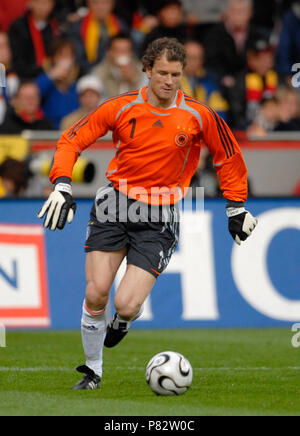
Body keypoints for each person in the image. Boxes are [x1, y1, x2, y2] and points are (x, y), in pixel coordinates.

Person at [38, 37, 257, 390]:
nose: (170, 81)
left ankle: (123, 321)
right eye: (163, 73)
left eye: (177, 74)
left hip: (159, 214)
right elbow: (72, 139)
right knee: (96, 294)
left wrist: (237, 205)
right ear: (147, 70)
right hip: (114, 205)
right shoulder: (121, 107)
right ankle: (93, 371)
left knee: (125, 304)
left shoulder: (199, 115)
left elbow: (228, 157)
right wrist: (62, 184)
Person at [68, 0, 128, 74]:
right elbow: (78, 60)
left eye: (105, 3)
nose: (101, 7)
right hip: (89, 72)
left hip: (118, 71)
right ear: (88, 4)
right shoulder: (78, 27)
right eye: (96, 3)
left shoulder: (121, 26)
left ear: (112, 4)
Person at [8, 0, 60, 80]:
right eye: (39, 2)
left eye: (46, 3)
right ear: (30, 3)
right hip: (25, 76)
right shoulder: (18, 26)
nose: (42, 7)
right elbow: (17, 59)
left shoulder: (57, 25)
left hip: (54, 73)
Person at [35, 39, 80, 129]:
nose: (64, 60)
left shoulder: (77, 85)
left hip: (73, 133)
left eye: (68, 56)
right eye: (61, 56)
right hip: (48, 132)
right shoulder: (44, 79)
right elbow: (34, 94)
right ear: (53, 59)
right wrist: (51, 76)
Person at [181, 40, 229, 121]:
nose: (192, 62)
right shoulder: (172, 79)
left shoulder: (209, 80)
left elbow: (220, 111)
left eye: (196, 58)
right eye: (189, 57)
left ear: (202, 60)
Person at [92, 34, 147, 99]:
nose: (122, 54)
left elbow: (147, 96)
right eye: (118, 50)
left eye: (126, 50)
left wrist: (133, 79)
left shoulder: (142, 69)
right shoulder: (99, 72)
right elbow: (97, 100)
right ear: (109, 52)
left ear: (131, 53)